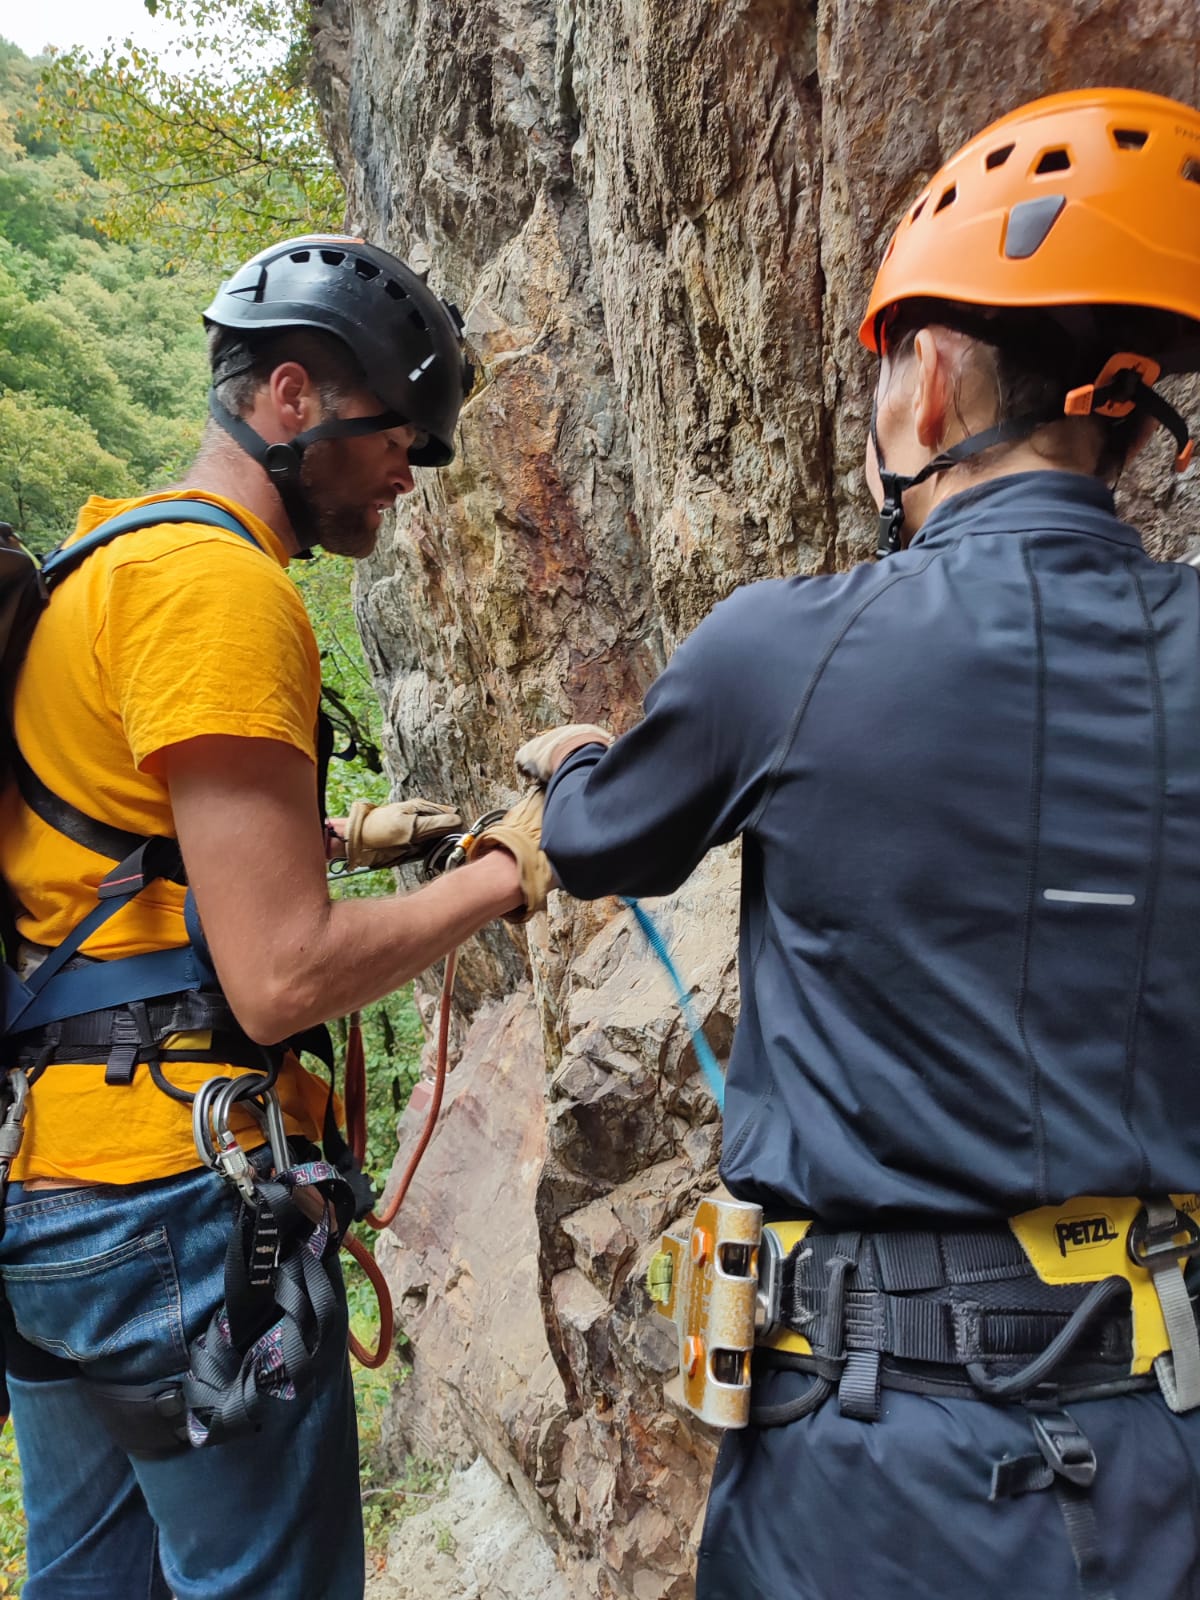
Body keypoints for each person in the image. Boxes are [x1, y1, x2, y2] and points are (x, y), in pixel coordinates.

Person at [528, 89, 1200, 1598]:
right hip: (1171, 1431)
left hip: (881, 1458)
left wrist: (580, 762)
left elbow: (596, 844)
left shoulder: (790, 650)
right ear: (1128, 413)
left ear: (934, 384)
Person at [0, 236, 545, 1600]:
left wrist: (366, 837)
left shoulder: (106, 562)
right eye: (397, 440)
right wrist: (502, 871)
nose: (407, 478)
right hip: (175, 1216)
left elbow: (124, 847)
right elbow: (279, 975)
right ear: (293, 397)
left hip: (52, 1194)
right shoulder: (223, 588)